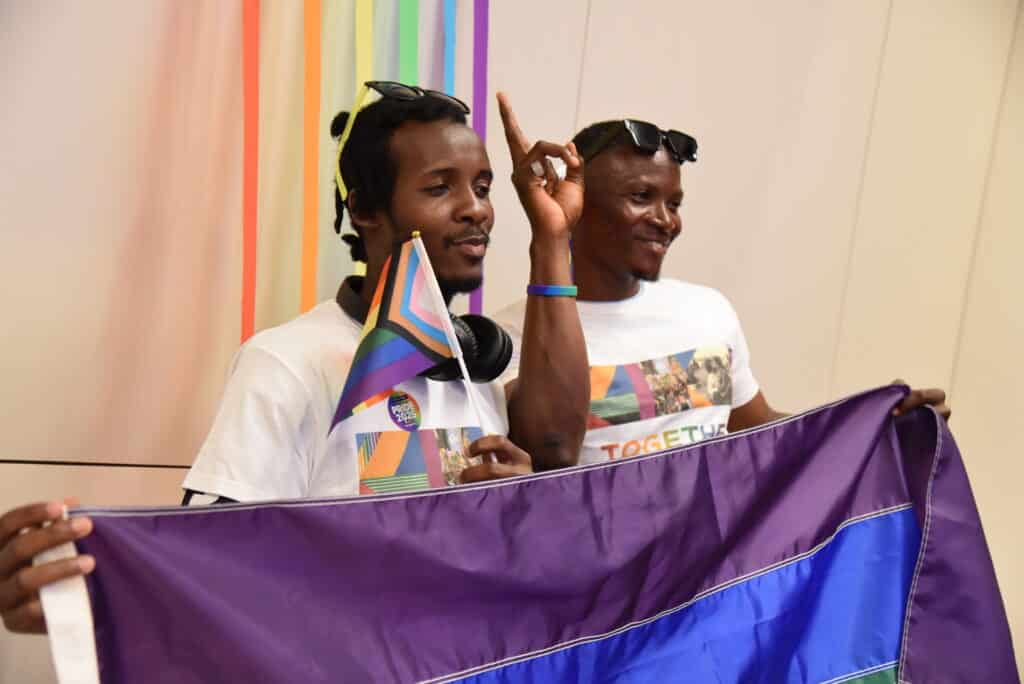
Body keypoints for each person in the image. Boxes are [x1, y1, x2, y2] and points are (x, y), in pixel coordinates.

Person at [1, 83, 589, 633]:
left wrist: (517, 506)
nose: (476, 210)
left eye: (482, 187)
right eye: (440, 188)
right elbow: (212, 564)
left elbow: (552, 459)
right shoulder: (287, 362)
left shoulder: (472, 366)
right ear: (364, 210)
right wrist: (97, 597)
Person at [495, 118, 951, 465]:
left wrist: (871, 424)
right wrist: (550, 237)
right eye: (641, 198)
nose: (665, 220)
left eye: (673, 204)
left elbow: (759, 430)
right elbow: (548, 451)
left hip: (708, 582)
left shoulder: (706, 310)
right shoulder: (512, 337)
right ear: (576, 206)